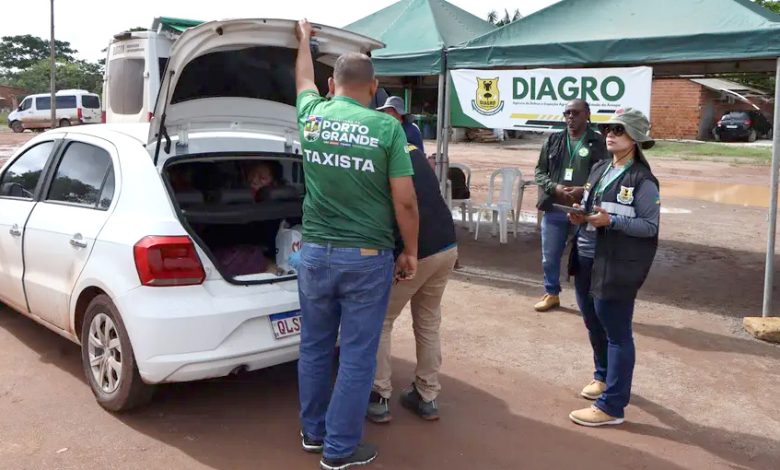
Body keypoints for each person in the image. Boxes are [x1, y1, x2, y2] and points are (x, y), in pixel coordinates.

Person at [294, 20, 419, 469]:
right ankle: (340, 450)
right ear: (374, 86)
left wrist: (303, 42)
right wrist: (410, 251)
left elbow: (303, 80)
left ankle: (314, 433)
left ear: (332, 85)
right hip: (366, 259)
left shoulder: (312, 114)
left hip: (314, 254)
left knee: (314, 347)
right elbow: (405, 201)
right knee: (357, 356)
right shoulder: (387, 129)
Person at [566, 108, 660, 427]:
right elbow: (593, 207)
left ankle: (612, 407)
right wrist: (580, 214)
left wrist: (613, 221)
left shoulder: (643, 180)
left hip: (616, 264)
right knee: (593, 323)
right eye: (608, 128)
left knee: (617, 334)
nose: (610, 134)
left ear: (635, 138)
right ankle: (603, 377)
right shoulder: (600, 168)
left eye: (619, 129)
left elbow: (650, 226)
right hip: (586, 257)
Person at [367, 106, 457, 424]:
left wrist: (406, 251)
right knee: (428, 321)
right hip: (446, 245)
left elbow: (403, 206)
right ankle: (427, 395)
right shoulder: (413, 149)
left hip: (418, 250)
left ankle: (378, 395)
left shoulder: (380, 156)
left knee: (381, 320)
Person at [533, 99, 608, 312]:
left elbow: (606, 174)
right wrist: (555, 187)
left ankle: (589, 299)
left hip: (584, 211)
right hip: (555, 209)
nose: (570, 117)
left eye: (575, 113)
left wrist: (584, 189)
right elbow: (539, 171)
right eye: (567, 113)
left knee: (585, 258)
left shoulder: (598, 142)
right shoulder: (554, 140)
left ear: (587, 115)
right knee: (549, 256)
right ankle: (552, 293)